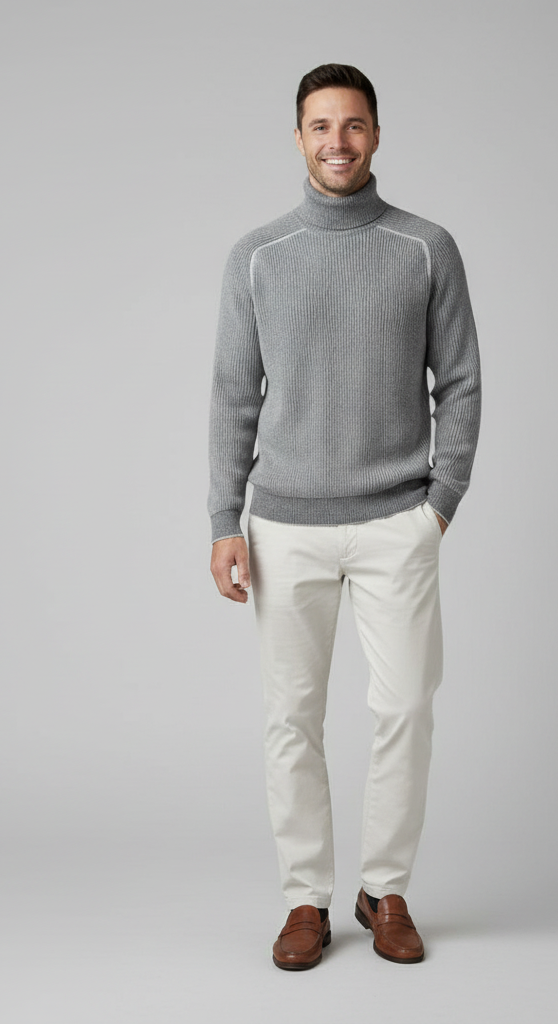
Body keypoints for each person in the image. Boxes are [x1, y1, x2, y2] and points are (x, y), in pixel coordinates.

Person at [207, 63, 481, 970]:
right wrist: (225, 520)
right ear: (298, 138)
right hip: (284, 528)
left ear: (376, 135)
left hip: (397, 520)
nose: (338, 142)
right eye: (321, 126)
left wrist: (439, 504)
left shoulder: (425, 248)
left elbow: (461, 381)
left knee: (405, 708)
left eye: (354, 125)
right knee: (292, 718)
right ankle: (305, 899)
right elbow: (233, 395)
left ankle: (385, 888)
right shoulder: (258, 255)